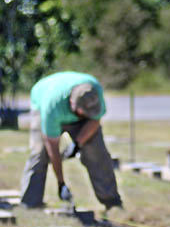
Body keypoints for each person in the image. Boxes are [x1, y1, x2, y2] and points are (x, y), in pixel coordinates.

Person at [20, 71, 122, 210]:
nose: (87, 114)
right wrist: (61, 183)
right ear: (73, 104)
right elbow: (53, 149)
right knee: (40, 153)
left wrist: (77, 143)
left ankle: (112, 202)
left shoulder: (95, 91)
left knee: (97, 153)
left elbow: (95, 119)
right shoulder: (52, 107)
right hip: (43, 102)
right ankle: (30, 203)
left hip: (67, 104)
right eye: (84, 112)